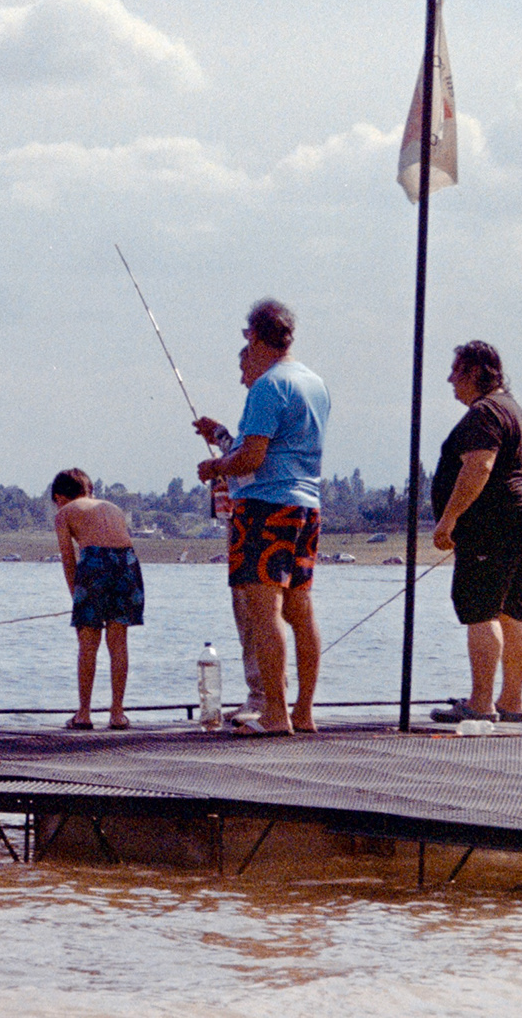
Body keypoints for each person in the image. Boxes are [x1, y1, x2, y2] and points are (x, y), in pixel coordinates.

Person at [194, 299, 330, 737]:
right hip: (307, 506)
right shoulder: (315, 383)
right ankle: (303, 711)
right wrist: (222, 437)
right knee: (301, 610)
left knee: (264, 610)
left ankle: (275, 712)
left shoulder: (268, 387)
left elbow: (253, 455)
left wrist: (215, 466)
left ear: (254, 336)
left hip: (266, 507)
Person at [428, 340, 522, 724]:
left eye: (456, 370)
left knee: (480, 610)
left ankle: (481, 704)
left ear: (476, 372)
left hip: (495, 523)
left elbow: (479, 466)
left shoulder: (484, 413)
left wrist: (448, 520)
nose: (449, 379)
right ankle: (511, 701)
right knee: (512, 610)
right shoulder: (516, 411)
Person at [50, 469, 144, 731]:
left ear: (59, 497)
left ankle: (84, 714)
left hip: (94, 562)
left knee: (88, 642)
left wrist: (76, 597)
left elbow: (69, 560)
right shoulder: (111, 507)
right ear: (88, 490)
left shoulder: (64, 513)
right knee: (118, 641)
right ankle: (117, 713)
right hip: (127, 561)